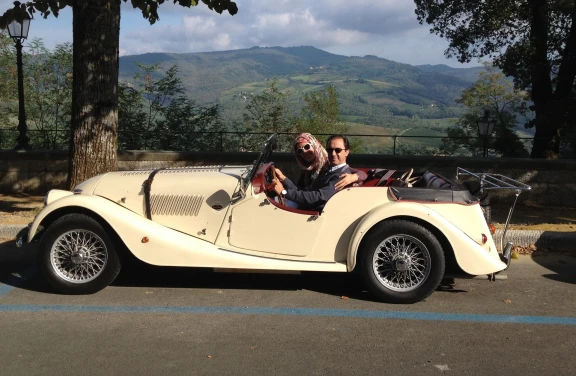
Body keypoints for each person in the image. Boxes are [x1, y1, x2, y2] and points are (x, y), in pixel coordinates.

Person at [271, 135, 358, 211]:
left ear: (346, 152)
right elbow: (305, 192)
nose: (333, 153)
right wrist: (283, 179)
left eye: (338, 150)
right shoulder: (326, 169)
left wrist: (284, 192)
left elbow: (318, 197)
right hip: (305, 206)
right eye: (329, 150)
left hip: (311, 213)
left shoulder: (342, 175)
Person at [275, 133, 366, 191]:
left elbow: (362, 172)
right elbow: (299, 190)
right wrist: (283, 180)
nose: (305, 152)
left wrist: (355, 177)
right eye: (300, 151)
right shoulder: (307, 168)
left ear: (315, 146)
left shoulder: (329, 163)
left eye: (307, 147)